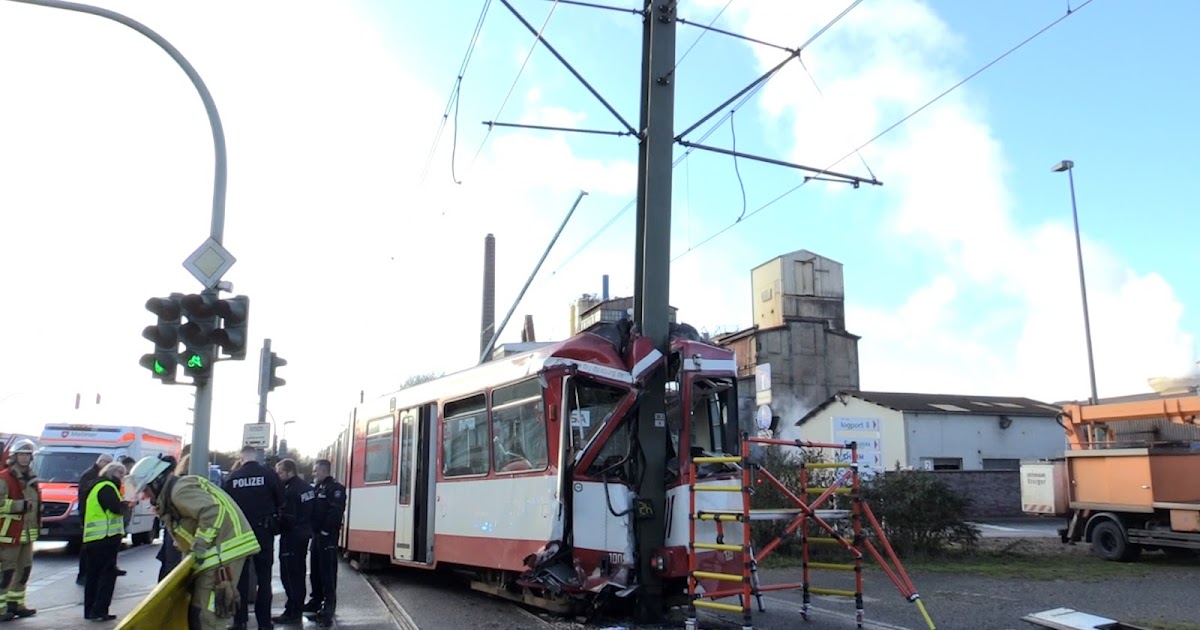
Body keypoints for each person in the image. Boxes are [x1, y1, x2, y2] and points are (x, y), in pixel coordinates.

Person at [125, 455, 260, 630]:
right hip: (219, 552)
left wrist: (200, 544)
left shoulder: (179, 491)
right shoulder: (175, 492)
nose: (144, 496)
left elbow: (212, 512)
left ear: (156, 482)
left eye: (145, 490)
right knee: (200, 608)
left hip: (223, 552)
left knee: (208, 612)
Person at [222, 446, 284, 630]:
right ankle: (264, 622)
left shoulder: (232, 477)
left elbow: (224, 505)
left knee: (240, 578)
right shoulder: (269, 475)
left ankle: (240, 620)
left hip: (240, 534)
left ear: (241, 459)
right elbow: (281, 500)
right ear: (256, 458)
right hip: (263, 533)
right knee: (264, 580)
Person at [0, 439, 40, 620]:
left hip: (27, 532)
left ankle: (16, 604)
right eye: (22, 454)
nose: (25, 458)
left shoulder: (31, 478)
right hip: (8, 533)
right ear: (14, 457)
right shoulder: (5, 478)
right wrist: (18, 505)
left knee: (24, 569)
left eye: (28, 455)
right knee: (6, 571)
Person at [303, 459, 345, 628]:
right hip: (317, 536)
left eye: (315, 471)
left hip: (327, 537)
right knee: (315, 571)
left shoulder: (336, 489)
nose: (313, 474)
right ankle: (316, 600)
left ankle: (329, 606)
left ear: (323, 471)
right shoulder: (318, 488)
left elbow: (335, 512)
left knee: (327, 572)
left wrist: (326, 531)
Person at [82, 462, 127, 622]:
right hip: (106, 538)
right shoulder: (108, 487)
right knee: (106, 576)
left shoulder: (97, 486)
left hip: (93, 538)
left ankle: (90, 610)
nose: (122, 478)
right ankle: (100, 610)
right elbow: (115, 509)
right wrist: (126, 505)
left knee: (93, 575)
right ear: (113, 473)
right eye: (121, 474)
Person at [271, 458, 313, 624]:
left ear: (290, 472)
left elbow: (288, 517)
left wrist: (275, 523)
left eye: (280, 472)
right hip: (303, 535)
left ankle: (292, 611)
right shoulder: (307, 488)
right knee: (299, 574)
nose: (278, 475)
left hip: (291, 536)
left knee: (288, 575)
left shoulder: (289, 490)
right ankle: (296, 608)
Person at [76, 453, 114, 585]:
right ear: (102, 462)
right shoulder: (90, 475)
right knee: (87, 548)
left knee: (91, 548)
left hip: (91, 516)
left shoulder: (95, 474)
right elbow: (84, 495)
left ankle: (88, 574)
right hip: (89, 516)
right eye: (108, 463)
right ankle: (83, 574)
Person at [155, 455, 184, 581]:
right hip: (178, 534)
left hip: (175, 533)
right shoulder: (178, 483)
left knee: (169, 565)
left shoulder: (172, 485)